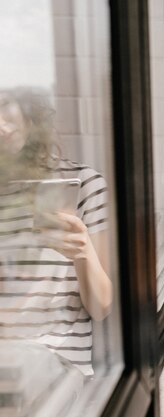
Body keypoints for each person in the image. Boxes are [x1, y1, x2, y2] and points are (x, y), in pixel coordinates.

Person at [0, 87, 112, 376]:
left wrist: (83, 250)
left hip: (55, 361)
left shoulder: (84, 185)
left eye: (3, 104)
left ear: (29, 111)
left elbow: (101, 307)